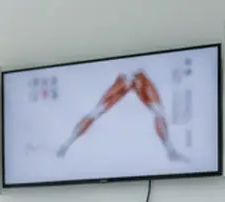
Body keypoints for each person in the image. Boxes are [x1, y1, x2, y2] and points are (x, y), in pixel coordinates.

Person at [55, 69, 187, 161]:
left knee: (97, 111)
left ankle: (66, 145)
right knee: (97, 111)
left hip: (135, 77)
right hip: (132, 78)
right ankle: (66, 145)